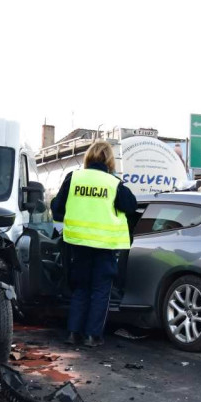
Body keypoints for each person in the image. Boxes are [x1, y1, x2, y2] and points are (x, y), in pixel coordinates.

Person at [51, 141, 137, 347]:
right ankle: (92, 336)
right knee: (100, 290)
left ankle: (73, 333)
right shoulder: (113, 183)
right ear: (110, 160)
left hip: (78, 243)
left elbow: (57, 208)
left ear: (88, 158)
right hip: (104, 245)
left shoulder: (73, 178)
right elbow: (131, 206)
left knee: (81, 288)